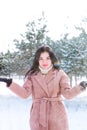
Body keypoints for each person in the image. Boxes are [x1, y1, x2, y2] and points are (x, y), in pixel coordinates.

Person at [0, 45, 87, 130]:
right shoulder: (32, 75)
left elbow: (68, 94)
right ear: (37, 60)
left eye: (47, 58)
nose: (44, 61)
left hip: (57, 116)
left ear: (52, 59)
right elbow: (25, 94)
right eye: (41, 58)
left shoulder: (60, 73)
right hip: (38, 115)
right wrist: (10, 83)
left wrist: (81, 86)